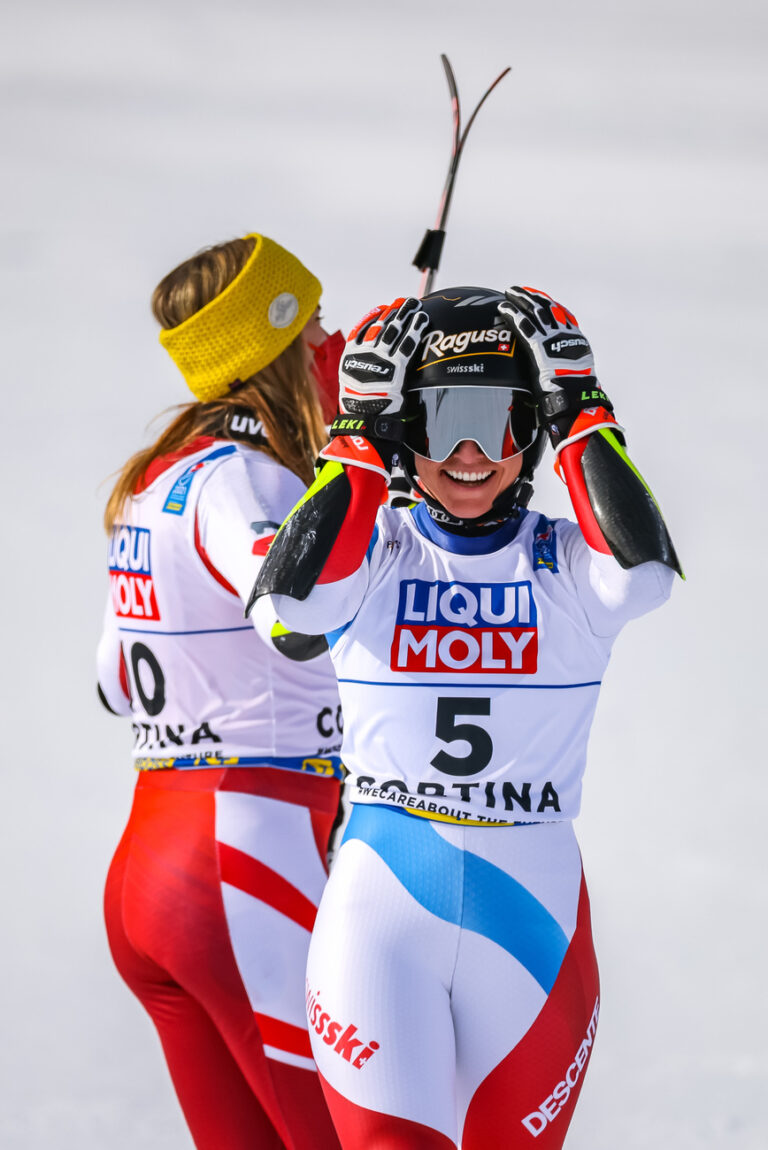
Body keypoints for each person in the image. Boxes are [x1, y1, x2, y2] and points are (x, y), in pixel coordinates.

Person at [247, 285, 682, 1149]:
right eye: (443, 421)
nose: (475, 452)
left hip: (530, 928)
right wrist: (359, 439)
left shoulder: (567, 564)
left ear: (537, 429)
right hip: (381, 916)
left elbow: (646, 573)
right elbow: (287, 607)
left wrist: (585, 408)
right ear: (407, 435)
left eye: (506, 419)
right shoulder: (372, 552)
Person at [97, 233, 345, 1150]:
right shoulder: (247, 480)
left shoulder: (156, 478)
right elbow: (301, 607)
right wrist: (358, 489)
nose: (336, 338)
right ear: (275, 344)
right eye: (316, 320)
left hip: (156, 860)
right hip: (244, 856)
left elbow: (113, 677)